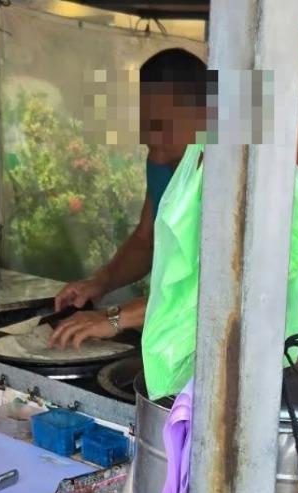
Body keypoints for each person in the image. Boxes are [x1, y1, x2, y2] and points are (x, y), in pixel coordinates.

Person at [49, 48, 209, 349]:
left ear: (203, 114)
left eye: (162, 122)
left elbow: (212, 292)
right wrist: (100, 283)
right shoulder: (162, 164)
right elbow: (145, 240)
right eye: (146, 121)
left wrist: (114, 318)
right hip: (179, 346)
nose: (150, 136)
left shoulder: (235, 183)